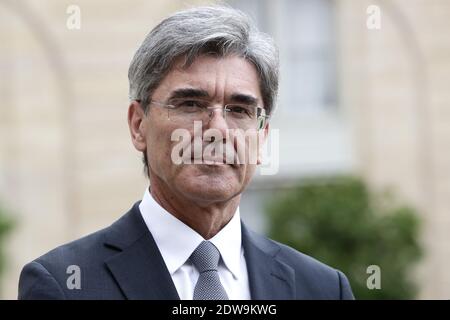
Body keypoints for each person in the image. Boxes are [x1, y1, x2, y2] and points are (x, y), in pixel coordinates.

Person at [18, 5, 354, 300]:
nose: (218, 130)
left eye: (239, 110)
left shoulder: (322, 288)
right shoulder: (64, 286)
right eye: (191, 104)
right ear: (138, 125)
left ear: (262, 136)